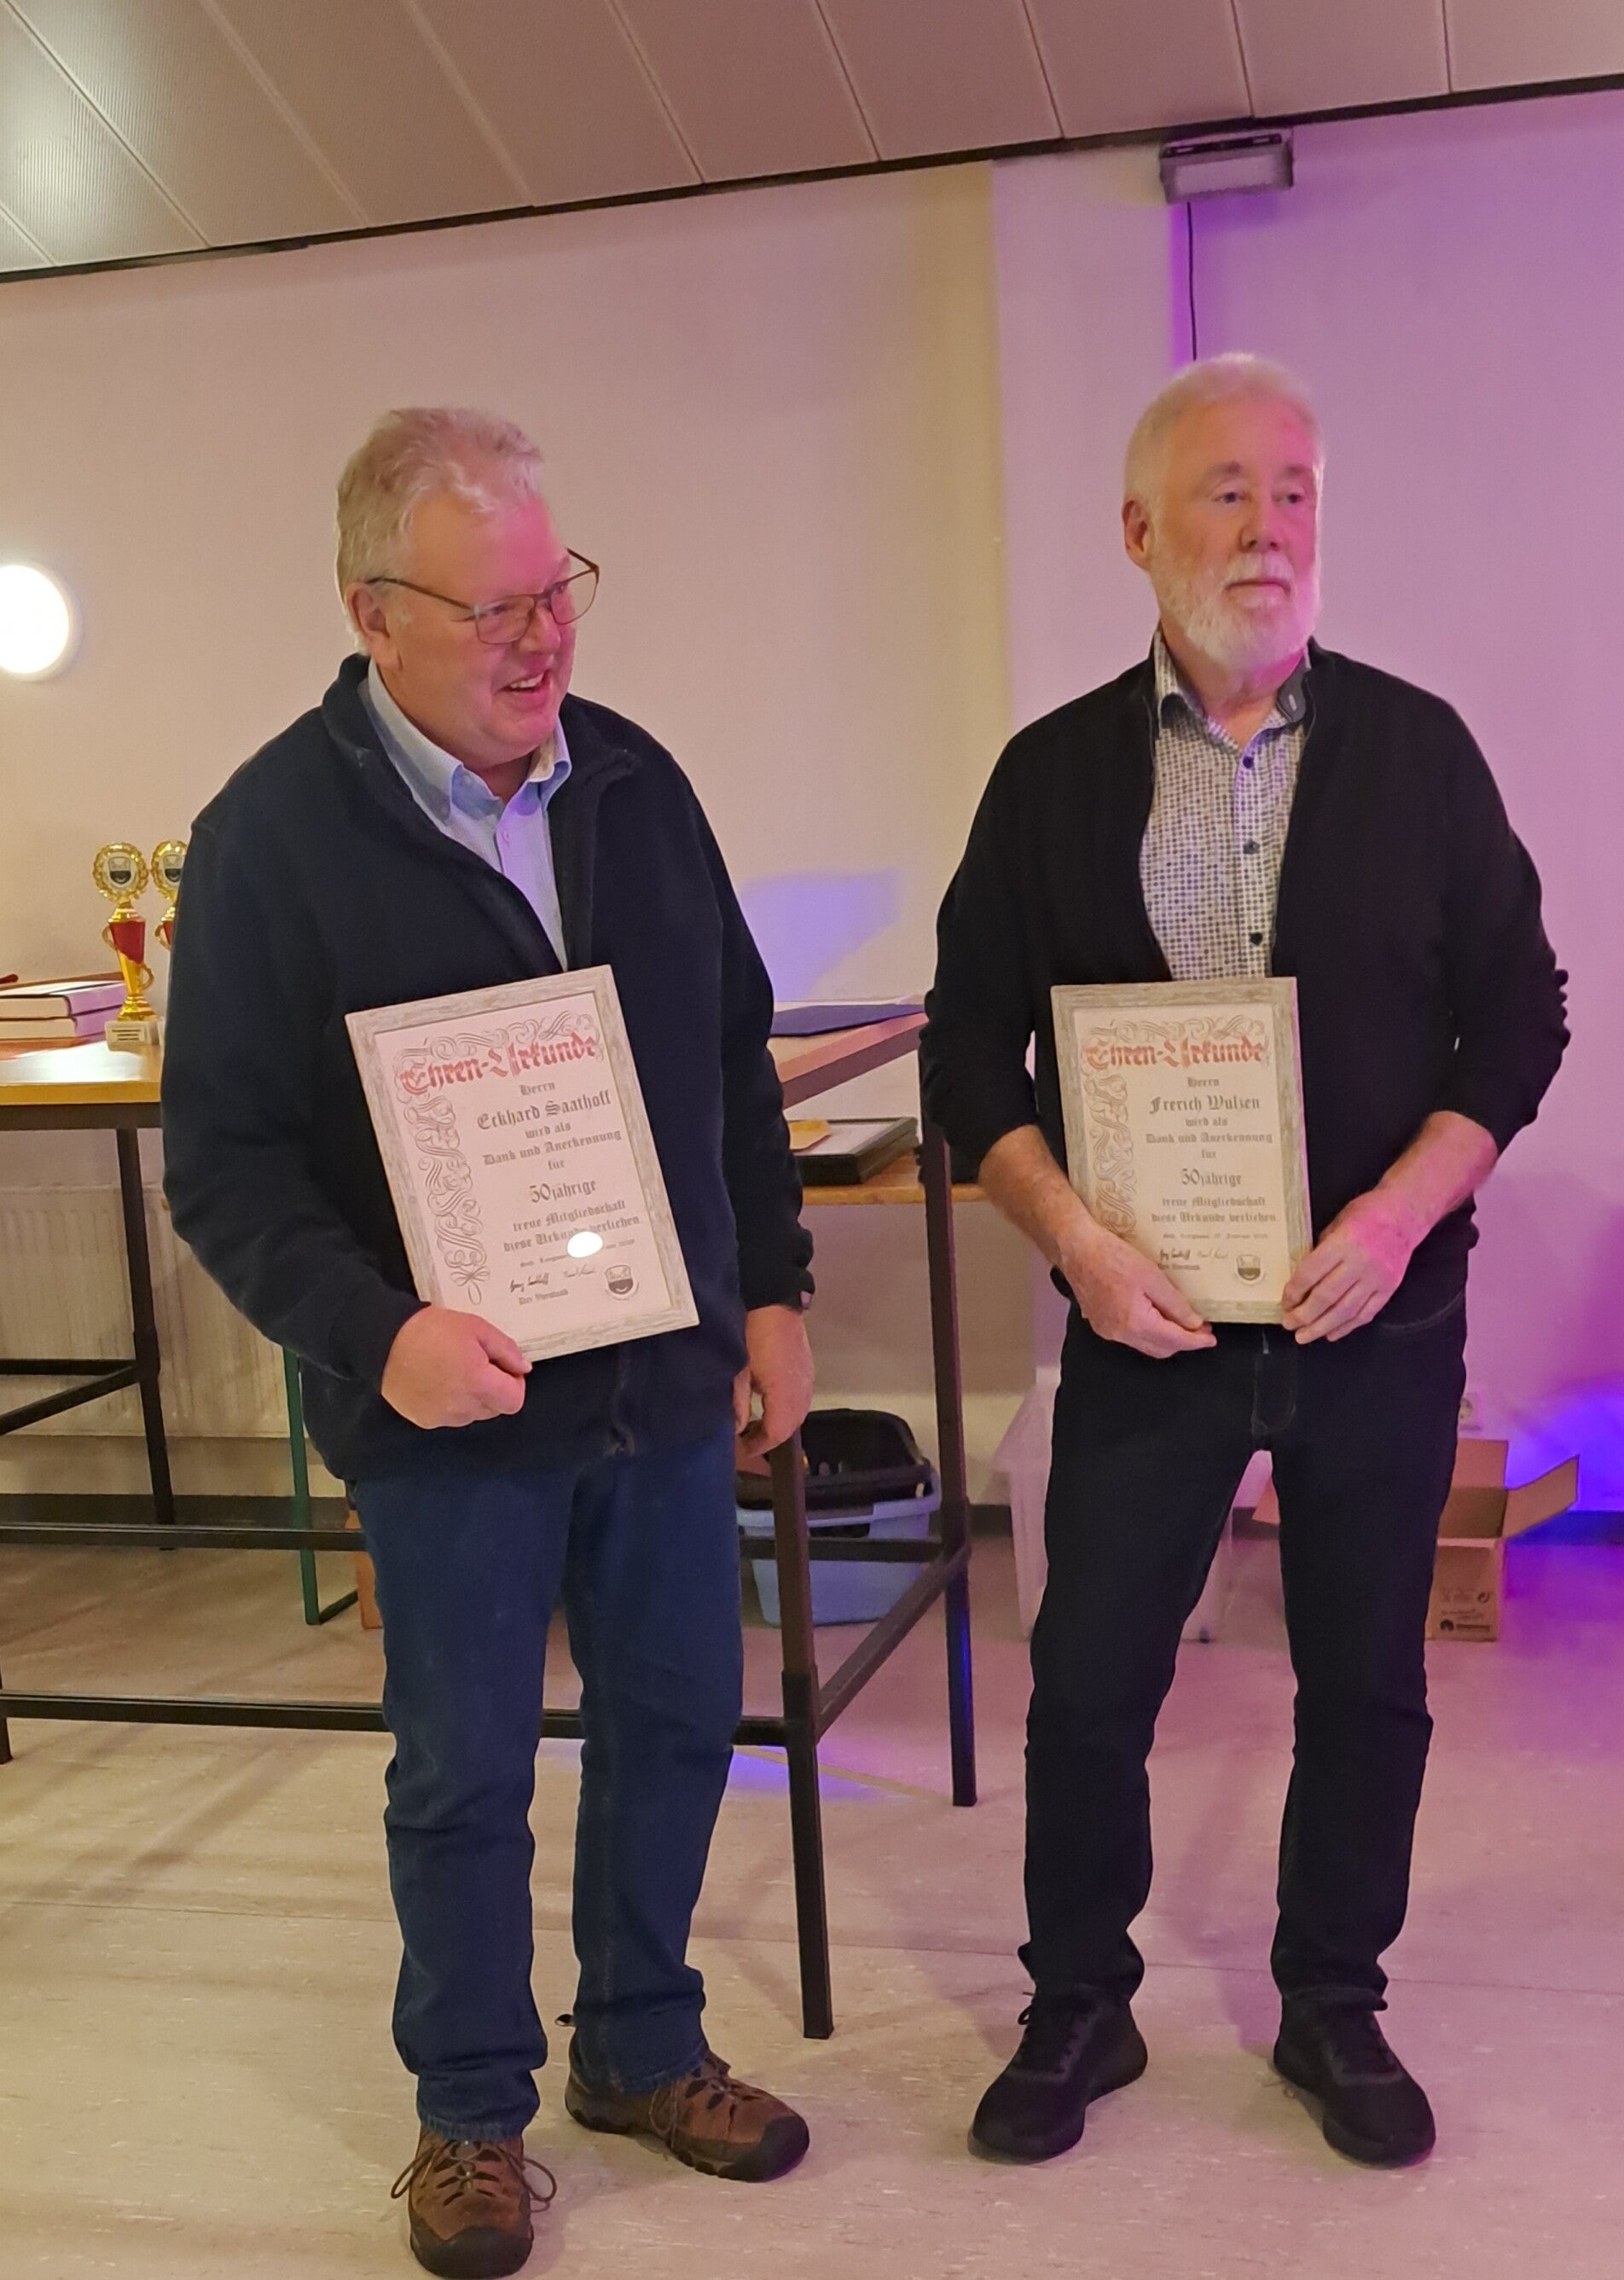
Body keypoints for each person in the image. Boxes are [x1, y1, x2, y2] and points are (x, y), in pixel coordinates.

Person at [162, 408, 816, 2277]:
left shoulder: (637, 784)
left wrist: (772, 1289)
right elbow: (225, 1163)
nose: (546, 639)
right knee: (462, 1768)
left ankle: (643, 2043)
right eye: (496, 608)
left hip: (662, 1381)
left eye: (559, 591)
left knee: (676, 1719)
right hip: (449, 1412)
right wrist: (381, 1339)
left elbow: (732, 1060)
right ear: (372, 612)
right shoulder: (270, 837)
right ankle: (468, 2109)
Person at [923, 355, 1567, 2171]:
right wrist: (1070, 1235)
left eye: (1296, 492)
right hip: (1145, 1329)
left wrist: (1399, 1212)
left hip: (1377, 1315)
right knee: (1088, 1680)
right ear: (1138, 529)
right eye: (1227, 491)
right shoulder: (1048, 778)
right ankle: (1080, 1998)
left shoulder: (1421, 753)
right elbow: (967, 1051)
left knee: (1366, 1680)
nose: (1270, 527)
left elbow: (1521, 1017)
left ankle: (1333, 1997)